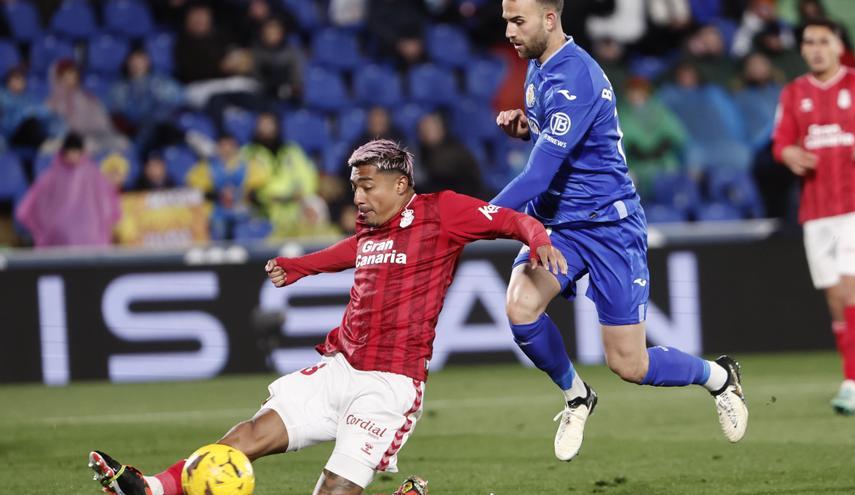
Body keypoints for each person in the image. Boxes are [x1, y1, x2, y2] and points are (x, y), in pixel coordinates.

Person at [87, 139, 565, 495]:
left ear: (400, 185)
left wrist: (537, 239)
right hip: (339, 367)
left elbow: (508, 218)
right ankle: (150, 488)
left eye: (367, 186)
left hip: (389, 385)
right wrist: (300, 267)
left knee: (335, 490)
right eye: (355, 185)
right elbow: (354, 251)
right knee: (247, 435)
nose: (357, 197)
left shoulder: (444, 213)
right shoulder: (370, 227)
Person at [493, 0, 748, 462]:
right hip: (559, 225)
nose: (508, 30)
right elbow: (563, 140)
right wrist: (528, 127)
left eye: (517, 20)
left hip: (608, 226)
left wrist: (478, 218)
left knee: (629, 364)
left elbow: (535, 177)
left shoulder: (575, 76)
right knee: (520, 306)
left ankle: (719, 377)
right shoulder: (540, 64)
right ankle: (576, 397)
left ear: (550, 19)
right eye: (506, 20)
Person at [772, 19, 855, 415]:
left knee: (852, 289)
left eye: (823, 41)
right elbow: (780, 141)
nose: (816, 48)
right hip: (817, 210)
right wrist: (790, 154)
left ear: (838, 46)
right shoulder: (794, 93)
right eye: (809, 42)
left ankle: (850, 383)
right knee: (837, 300)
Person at [16, 133, 120, 247]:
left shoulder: (93, 174)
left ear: (81, 152)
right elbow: (34, 202)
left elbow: (106, 201)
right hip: (58, 236)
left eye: (76, 152)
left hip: (90, 234)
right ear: (64, 152)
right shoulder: (52, 175)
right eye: (70, 152)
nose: (73, 155)